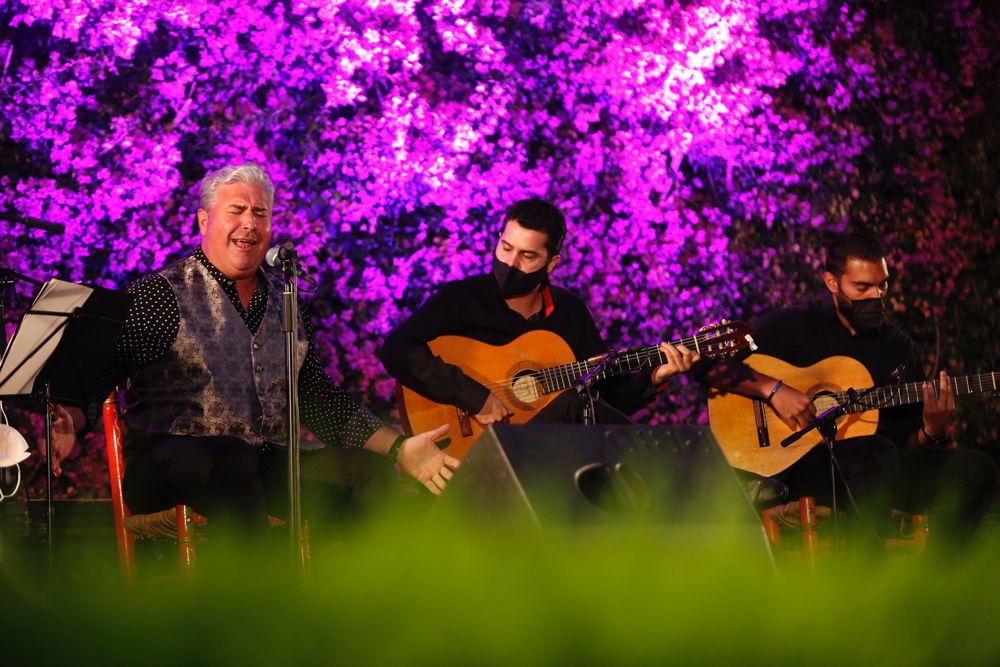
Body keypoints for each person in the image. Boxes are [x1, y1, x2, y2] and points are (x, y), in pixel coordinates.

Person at [49, 162, 458, 536]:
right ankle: (258, 600)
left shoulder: (286, 301)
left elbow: (314, 397)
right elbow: (99, 369)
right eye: (237, 210)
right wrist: (71, 417)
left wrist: (399, 448)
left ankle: (355, 599)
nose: (249, 223)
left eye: (260, 213)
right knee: (232, 458)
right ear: (205, 220)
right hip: (168, 463)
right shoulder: (161, 294)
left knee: (362, 473)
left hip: (258, 463)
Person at [700, 230, 997, 544]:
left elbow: (908, 443)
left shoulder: (898, 347)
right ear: (832, 282)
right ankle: (866, 570)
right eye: (862, 287)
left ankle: (939, 576)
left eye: (882, 285)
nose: (876, 296)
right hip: (806, 468)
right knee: (872, 451)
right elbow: (704, 362)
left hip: (882, 468)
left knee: (978, 470)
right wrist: (774, 390)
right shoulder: (794, 327)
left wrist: (931, 431)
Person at [378, 198, 700, 436]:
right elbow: (397, 350)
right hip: (478, 450)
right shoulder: (463, 298)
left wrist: (655, 378)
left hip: (547, 456)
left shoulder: (569, 313)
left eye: (527, 256)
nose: (510, 263)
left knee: (576, 402)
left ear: (552, 263)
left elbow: (601, 402)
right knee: (573, 403)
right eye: (505, 248)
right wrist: (474, 396)